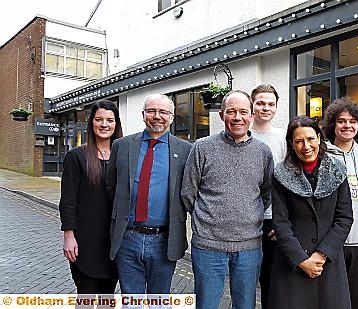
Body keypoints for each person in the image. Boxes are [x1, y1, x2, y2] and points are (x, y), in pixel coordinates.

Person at [181, 90, 274, 309]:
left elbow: (267, 193)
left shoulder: (263, 152)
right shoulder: (202, 148)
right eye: (231, 112)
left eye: (243, 112)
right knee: (206, 304)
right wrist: (209, 220)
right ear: (222, 115)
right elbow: (188, 193)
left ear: (251, 116)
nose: (237, 117)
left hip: (249, 246)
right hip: (208, 245)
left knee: (245, 304)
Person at [106, 94, 192, 294]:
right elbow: (111, 186)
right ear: (143, 114)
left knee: (159, 301)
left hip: (164, 240)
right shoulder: (122, 145)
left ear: (171, 117)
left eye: (163, 112)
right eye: (151, 111)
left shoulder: (186, 150)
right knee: (131, 300)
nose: (157, 116)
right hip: (128, 238)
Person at [268, 116, 353, 309]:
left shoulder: (337, 170)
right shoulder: (281, 174)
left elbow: (344, 218)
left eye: (310, 139)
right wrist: (301, 260)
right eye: (299, 141)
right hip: (292, 264)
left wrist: (321, 255)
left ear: (319, 138)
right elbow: (281, 222)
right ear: (291, 144)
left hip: (327, 263)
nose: (306, 146)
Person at [322, 97, 358, 309]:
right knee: (331, 301)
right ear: (333, 124)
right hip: (330, 244)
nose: (347, 125)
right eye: (341, 121)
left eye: (352, 121)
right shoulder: (321, 155)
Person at [59, 100, 122, 294]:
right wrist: (69, 236)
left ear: (116, 124)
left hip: (114, 241)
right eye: (99, 119)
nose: (104, 125)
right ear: (91, 123)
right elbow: (67, 200)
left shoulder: (123, 156)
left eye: (110, 120)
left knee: (107, 295)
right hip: (85, 240)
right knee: (85, 295)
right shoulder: (76, 157)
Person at [249, 84, 286, 309]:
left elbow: (290, 181)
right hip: (245, 220)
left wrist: (284, 220)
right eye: (261, 103)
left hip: (274, 219)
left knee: (271, 280)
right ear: (252, 105)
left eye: (271, 104)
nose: (265, 108)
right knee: (244, 280)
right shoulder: (243, 133)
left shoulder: (283, 137)